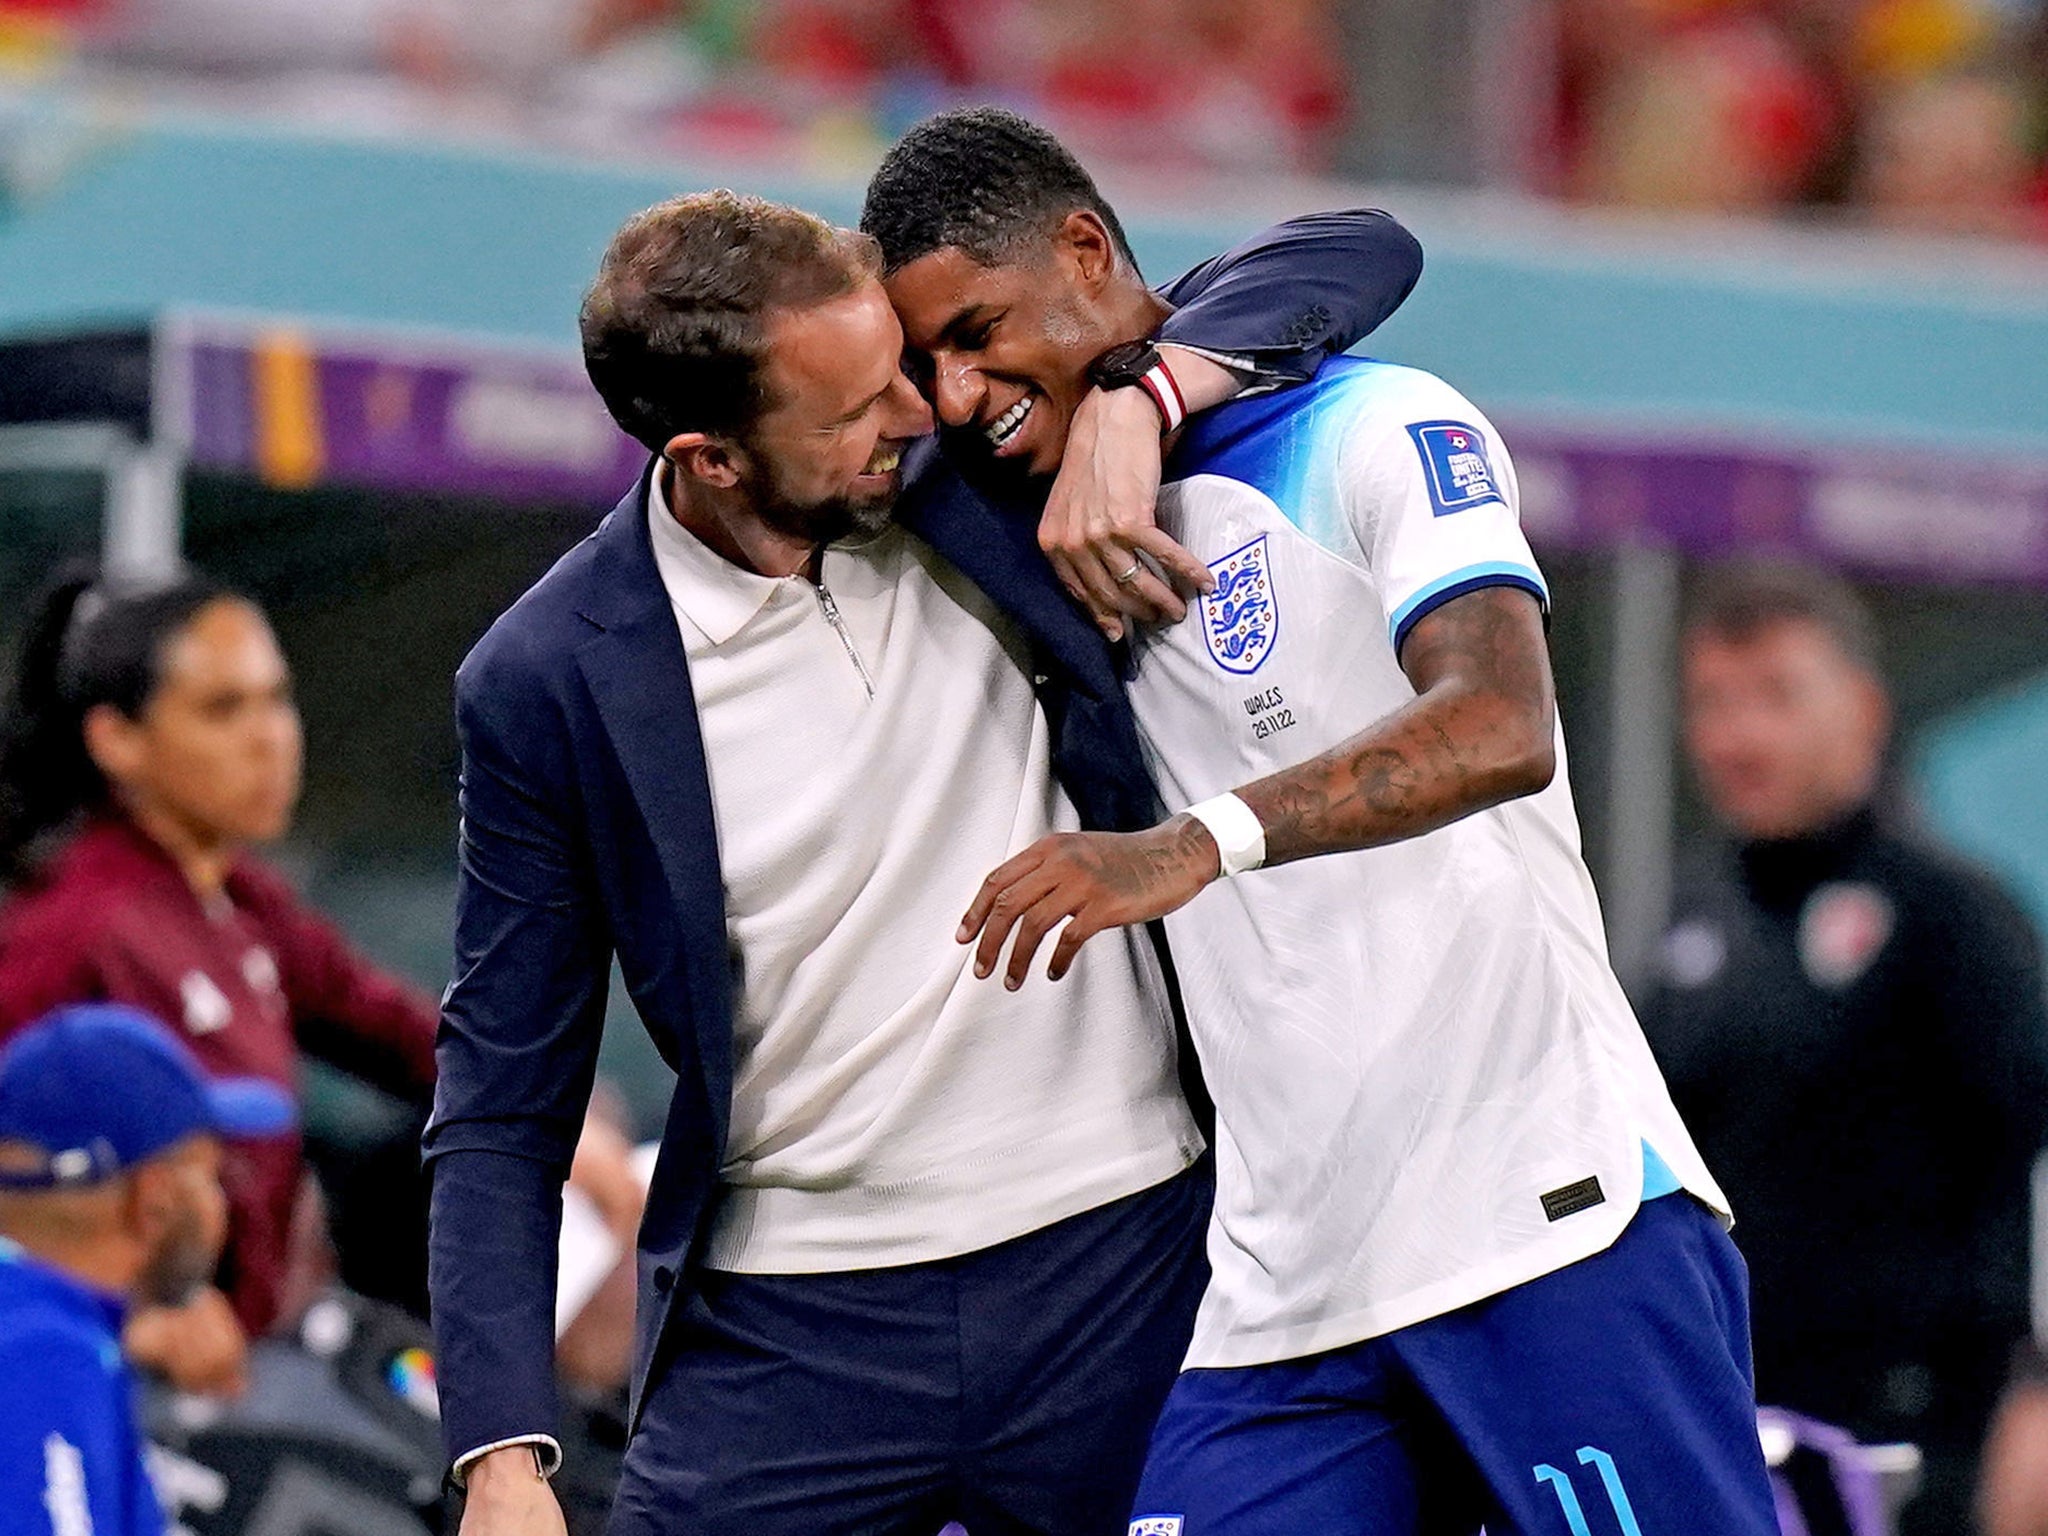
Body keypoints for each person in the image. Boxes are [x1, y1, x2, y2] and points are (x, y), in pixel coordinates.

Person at [427, 184, 1423, 1536]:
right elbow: (502, 1098)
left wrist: (1144, 400)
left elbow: (1355, 252)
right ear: (711, 457)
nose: (917, 412)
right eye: (849, 413)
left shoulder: (973, 458)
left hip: (1126, 1267)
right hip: (789, 1339)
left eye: (896, 368)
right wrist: (502, 1453)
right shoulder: (546, 681)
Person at [874, 107, 1778, 1534]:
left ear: (1087, 250)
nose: (959, 385)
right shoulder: (1000, 516)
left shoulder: (1373, 424)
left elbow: (1497, 725)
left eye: (978, 330)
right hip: (1282, 1295)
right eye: (929, 361)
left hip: (1547, 1221)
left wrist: (1193, 844)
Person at [1639, 561, 2048, 1536]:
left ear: (1861, 709)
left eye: (1775, 696)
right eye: (1712, 702)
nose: (1738, 735)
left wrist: (2035, 1391)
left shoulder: (1953, 916)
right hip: (1730, 1428)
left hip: (1918, 1441)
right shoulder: (1688, 921)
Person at [0, 569, 442, 1386]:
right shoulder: (72, 928)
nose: (271, 737)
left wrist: (559, 1121)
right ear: (116, 740)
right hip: (128, 1388)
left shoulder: (237, 897)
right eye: (223, 709)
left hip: (268, 1357)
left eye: (276, 699)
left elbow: (405, 1033)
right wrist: (127, 1323)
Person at [0, 1002, 295, 1536]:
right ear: (153, 1203)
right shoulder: (47, 1356)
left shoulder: (48, 1327)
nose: (219, 1206)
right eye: (207, 1177)